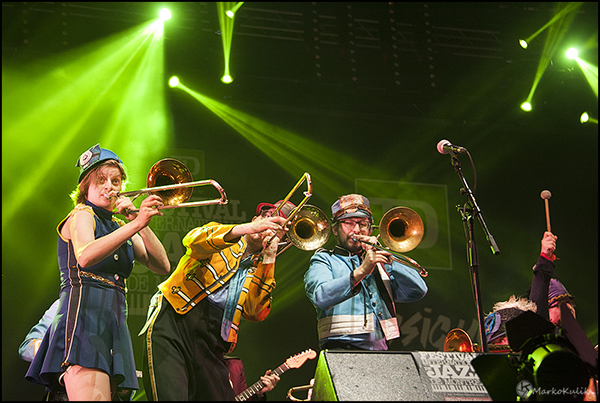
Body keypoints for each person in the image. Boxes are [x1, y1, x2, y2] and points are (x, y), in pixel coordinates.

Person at [25, 144, 171, 401]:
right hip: (84, 322)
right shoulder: (82, 214)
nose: (110, 187)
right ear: (86, 187)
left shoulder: (118, 225)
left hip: (111, 324)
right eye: (101, 180)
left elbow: (162, 265)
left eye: (116, 181)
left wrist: (139, 219)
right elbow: (86, 256)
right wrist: (135, 224)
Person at [141, 200, 291, 400]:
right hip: (174, 320)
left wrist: (270, 256)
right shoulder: (223, 234)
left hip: (212, 340)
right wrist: (245, 229)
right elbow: (192, 241)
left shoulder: (261, 269)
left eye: (278, 227)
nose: (268, 226)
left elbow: (255, 313)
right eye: (267, 217)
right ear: (255, 219)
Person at [304, 194, 428, 351]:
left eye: (363, 224)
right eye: (348, 223)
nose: (356, 230)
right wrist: (362, 270)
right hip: (340, 349)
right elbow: (319, 296)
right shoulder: (324, 259)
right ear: (335, 229)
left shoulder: (379, 260)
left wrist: (388, 259)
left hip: (380, 350)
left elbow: (419, 290)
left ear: (370, 229)